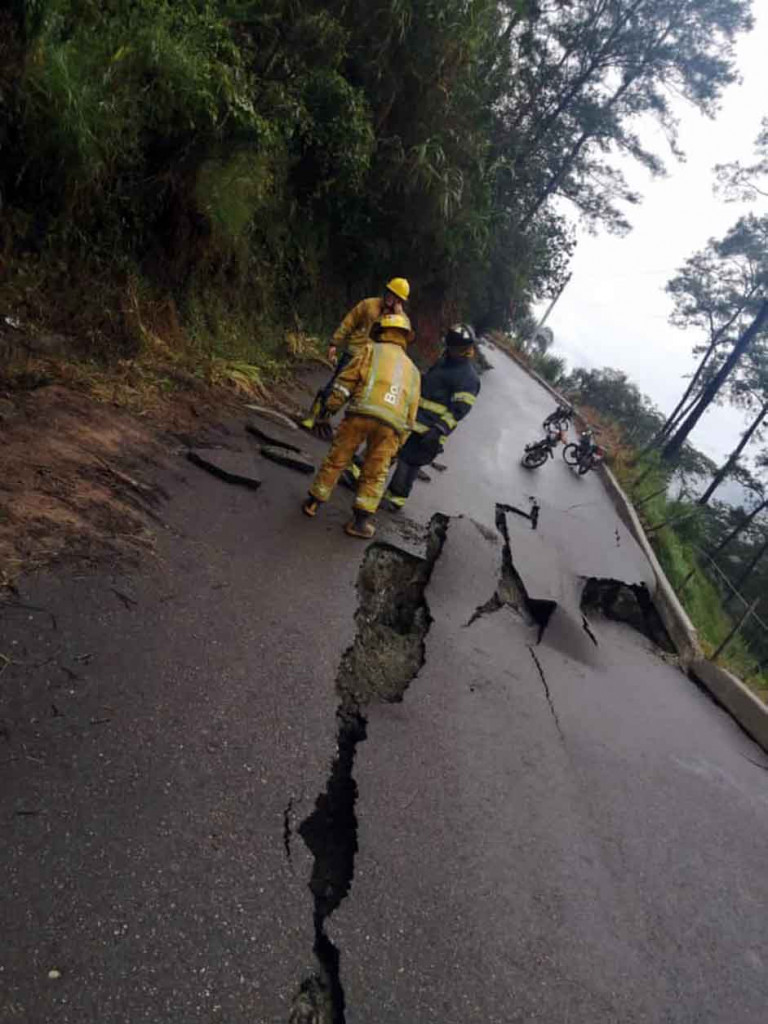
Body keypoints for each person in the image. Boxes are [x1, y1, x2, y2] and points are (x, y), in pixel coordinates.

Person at [302, 313, 420, 539]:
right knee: (375, 474)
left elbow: (346, 382)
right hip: (391, 427)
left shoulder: (370, 350)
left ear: (381, 331)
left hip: (360, 414)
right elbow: (411, 414)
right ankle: (359, 522)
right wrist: (398, 444)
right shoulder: (414, 372)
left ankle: (313, 503)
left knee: (337, 459)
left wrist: (328, 410)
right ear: (405, 337)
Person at [383, 323, 480, 511]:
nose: (448, 349)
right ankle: (359, 476)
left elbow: (458, 411)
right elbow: (428, 384)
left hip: (429, 432)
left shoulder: (468, 378)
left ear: (462, 349)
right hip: (411, 420)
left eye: (453, 347)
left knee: (408, 464)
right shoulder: (444, 362)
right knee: (386, 448)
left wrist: (438, 430)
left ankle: (394, 500)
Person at [300, 278, 411, 436]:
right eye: (390, 293)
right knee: (336, 387)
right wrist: (334, 343)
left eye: (396, 297)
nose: (390, 298)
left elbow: (402, 339)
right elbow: (349, 322)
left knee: (354, 395)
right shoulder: (368, 305)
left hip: (373, 363)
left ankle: (326, 419)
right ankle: (313, 415)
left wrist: (398, 314)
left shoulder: (400, 320)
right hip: (353, 354)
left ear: (400, 301)